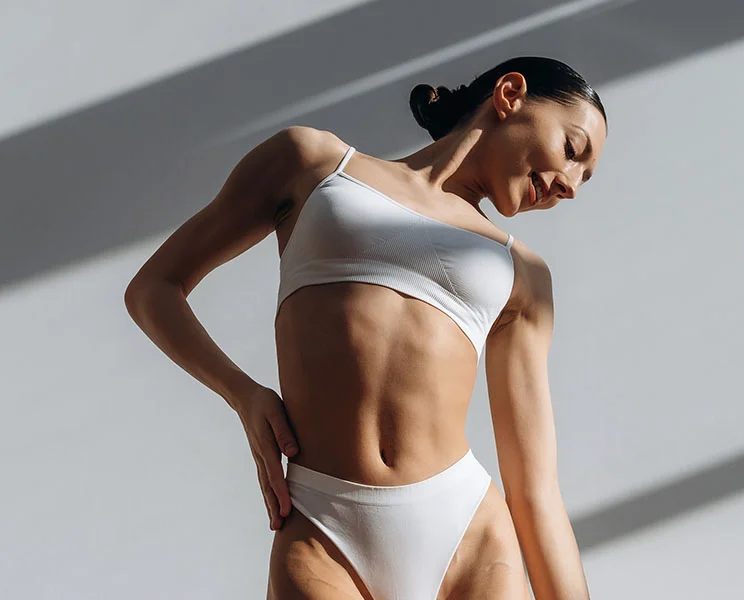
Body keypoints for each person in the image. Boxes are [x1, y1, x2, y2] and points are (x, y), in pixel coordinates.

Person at [124, 55, 607, 600]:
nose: (569, 184)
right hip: (322, 528)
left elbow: (534, 490)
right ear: (510, 94)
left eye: (583, 180)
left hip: (469, 536)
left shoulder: (523, 274)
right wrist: (243, 394)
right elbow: (153, 289)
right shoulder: (312, 165)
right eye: (572, 150)